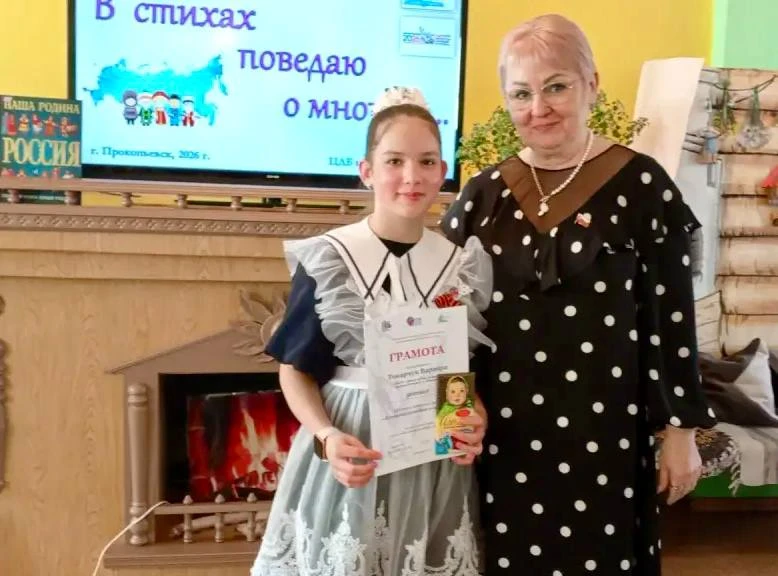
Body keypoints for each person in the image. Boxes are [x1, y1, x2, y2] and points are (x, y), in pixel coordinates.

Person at [440, 14, 717, 575]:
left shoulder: (643, 187)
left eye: (556, 87)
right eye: (521, 93)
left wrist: (681, 431)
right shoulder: (482, 197)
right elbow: (441, 321)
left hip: (607, 438)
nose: (538, 108)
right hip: (500, 440)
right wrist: (453, 415)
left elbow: (673, 322)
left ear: (592, 84)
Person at [250, 86, 493, 576]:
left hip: (429, 463)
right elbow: (294, 370)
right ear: (367, 171)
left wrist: (471, 420)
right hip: (352, 449)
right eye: (394, 161)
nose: (412, 176)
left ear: (442, 172)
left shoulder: (459, 266)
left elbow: (454, 375)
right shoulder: (332, 258)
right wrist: (325, 436)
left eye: (427, 162)